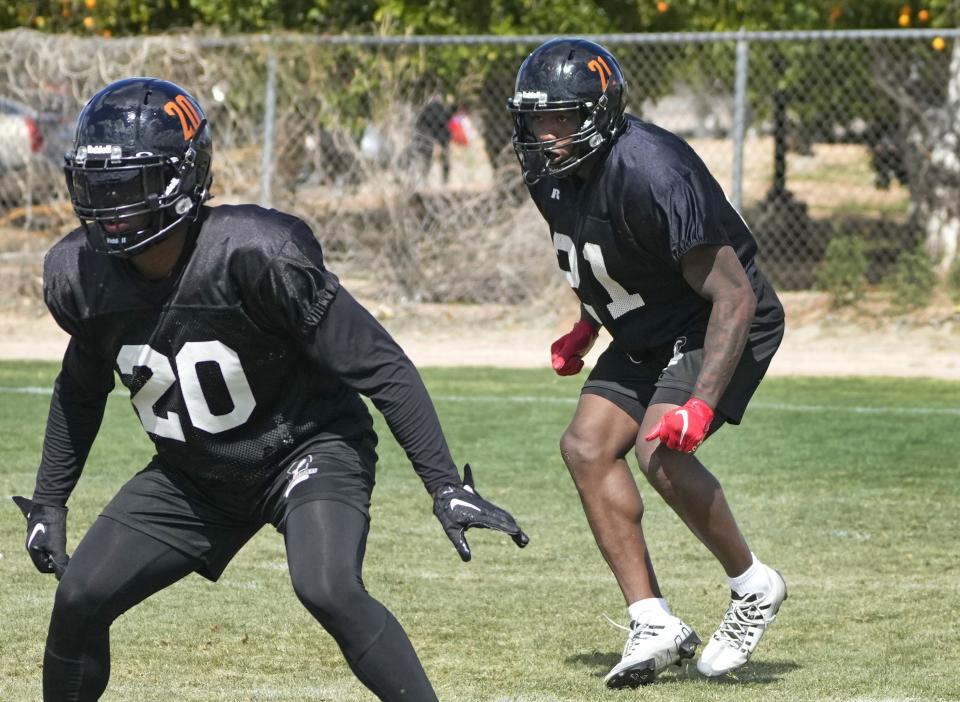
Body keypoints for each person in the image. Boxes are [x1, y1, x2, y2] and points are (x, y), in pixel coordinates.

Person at [13, 77, 528, 702]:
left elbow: (381, 365)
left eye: (131, 186)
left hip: (305, 448)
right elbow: (80, 386)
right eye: (98, 188)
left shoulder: (257, 253)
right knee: (80, 597)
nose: (111, 207)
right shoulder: (80, 275)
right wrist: (49, 502)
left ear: (182, 179)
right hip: (194, 472)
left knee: (327, 587)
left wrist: (445, 485)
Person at [507, 38, 787, 688]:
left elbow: (734, 295)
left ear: (599, 114)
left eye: (561, 118)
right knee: (585, 446)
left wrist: (699, 404)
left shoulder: (652, 170)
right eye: (535, 118)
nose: (545, 134)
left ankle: (753, 586)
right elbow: (604, 253)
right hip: (647, 321)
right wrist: (585, 325)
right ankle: (653, 620)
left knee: (660, 449)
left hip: (716, 318)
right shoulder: (550, 169)